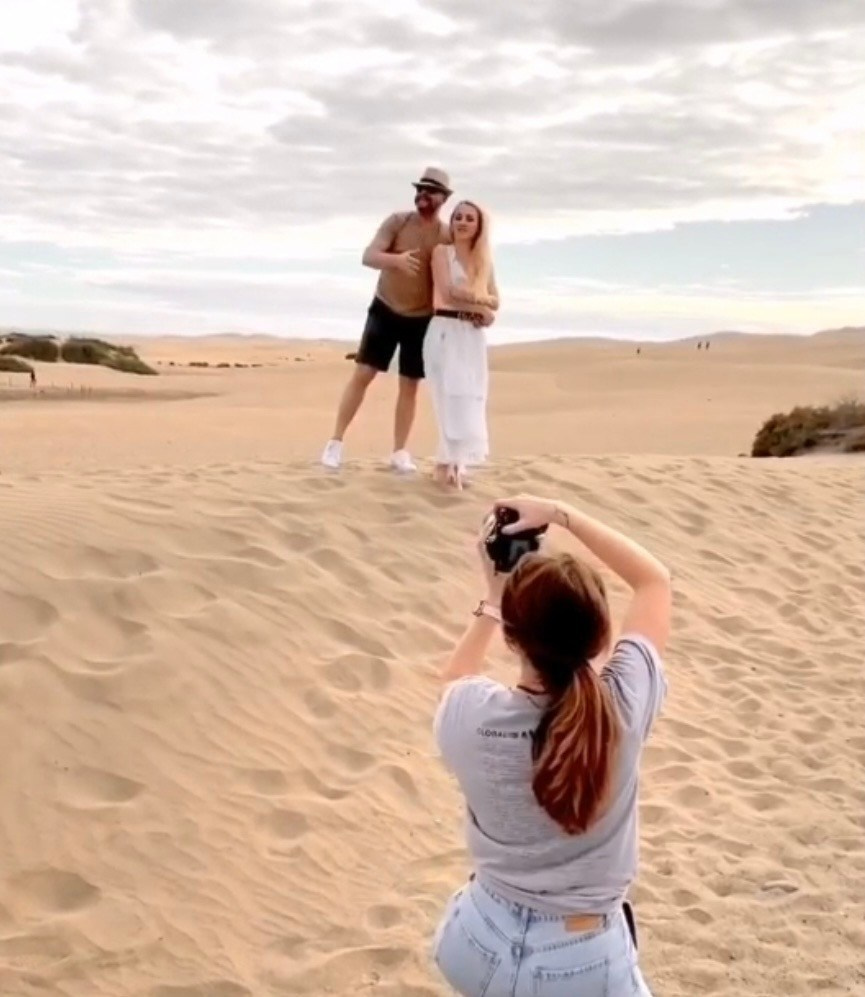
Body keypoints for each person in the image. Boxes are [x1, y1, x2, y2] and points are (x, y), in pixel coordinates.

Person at [432, 493, 672, 996]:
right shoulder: (623, 707)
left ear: (513, 639)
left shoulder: (468, 716)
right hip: (581, 963)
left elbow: (455, 676)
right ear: (602, 634)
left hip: (477, 941)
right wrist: (561, 513)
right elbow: (653, 580)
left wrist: (494, 600)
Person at [320, 167, 453, 473]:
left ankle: (399, 452)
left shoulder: (445, 235)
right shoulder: (398, 221)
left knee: (410, 385)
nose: (422, 194)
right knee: (364, 374)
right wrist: (396, 260)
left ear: (443, 198)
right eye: (420, 188)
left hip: (421, 319)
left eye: (430, 190)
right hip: (385, 308)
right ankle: (335, 443)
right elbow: (368, 256)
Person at [424, 200, 499, 490]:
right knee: (448, 397)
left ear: (479, 225)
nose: (463, 222)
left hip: (471, 335)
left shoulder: (483, 261)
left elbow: (496, 299)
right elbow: (447, 292)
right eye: (458, 217)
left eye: (470, 218)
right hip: (445, 329)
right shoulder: (442, 253)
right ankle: (443, 465)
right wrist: (482, 307)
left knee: (470, 397)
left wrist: (481, 309)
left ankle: (457, 464)